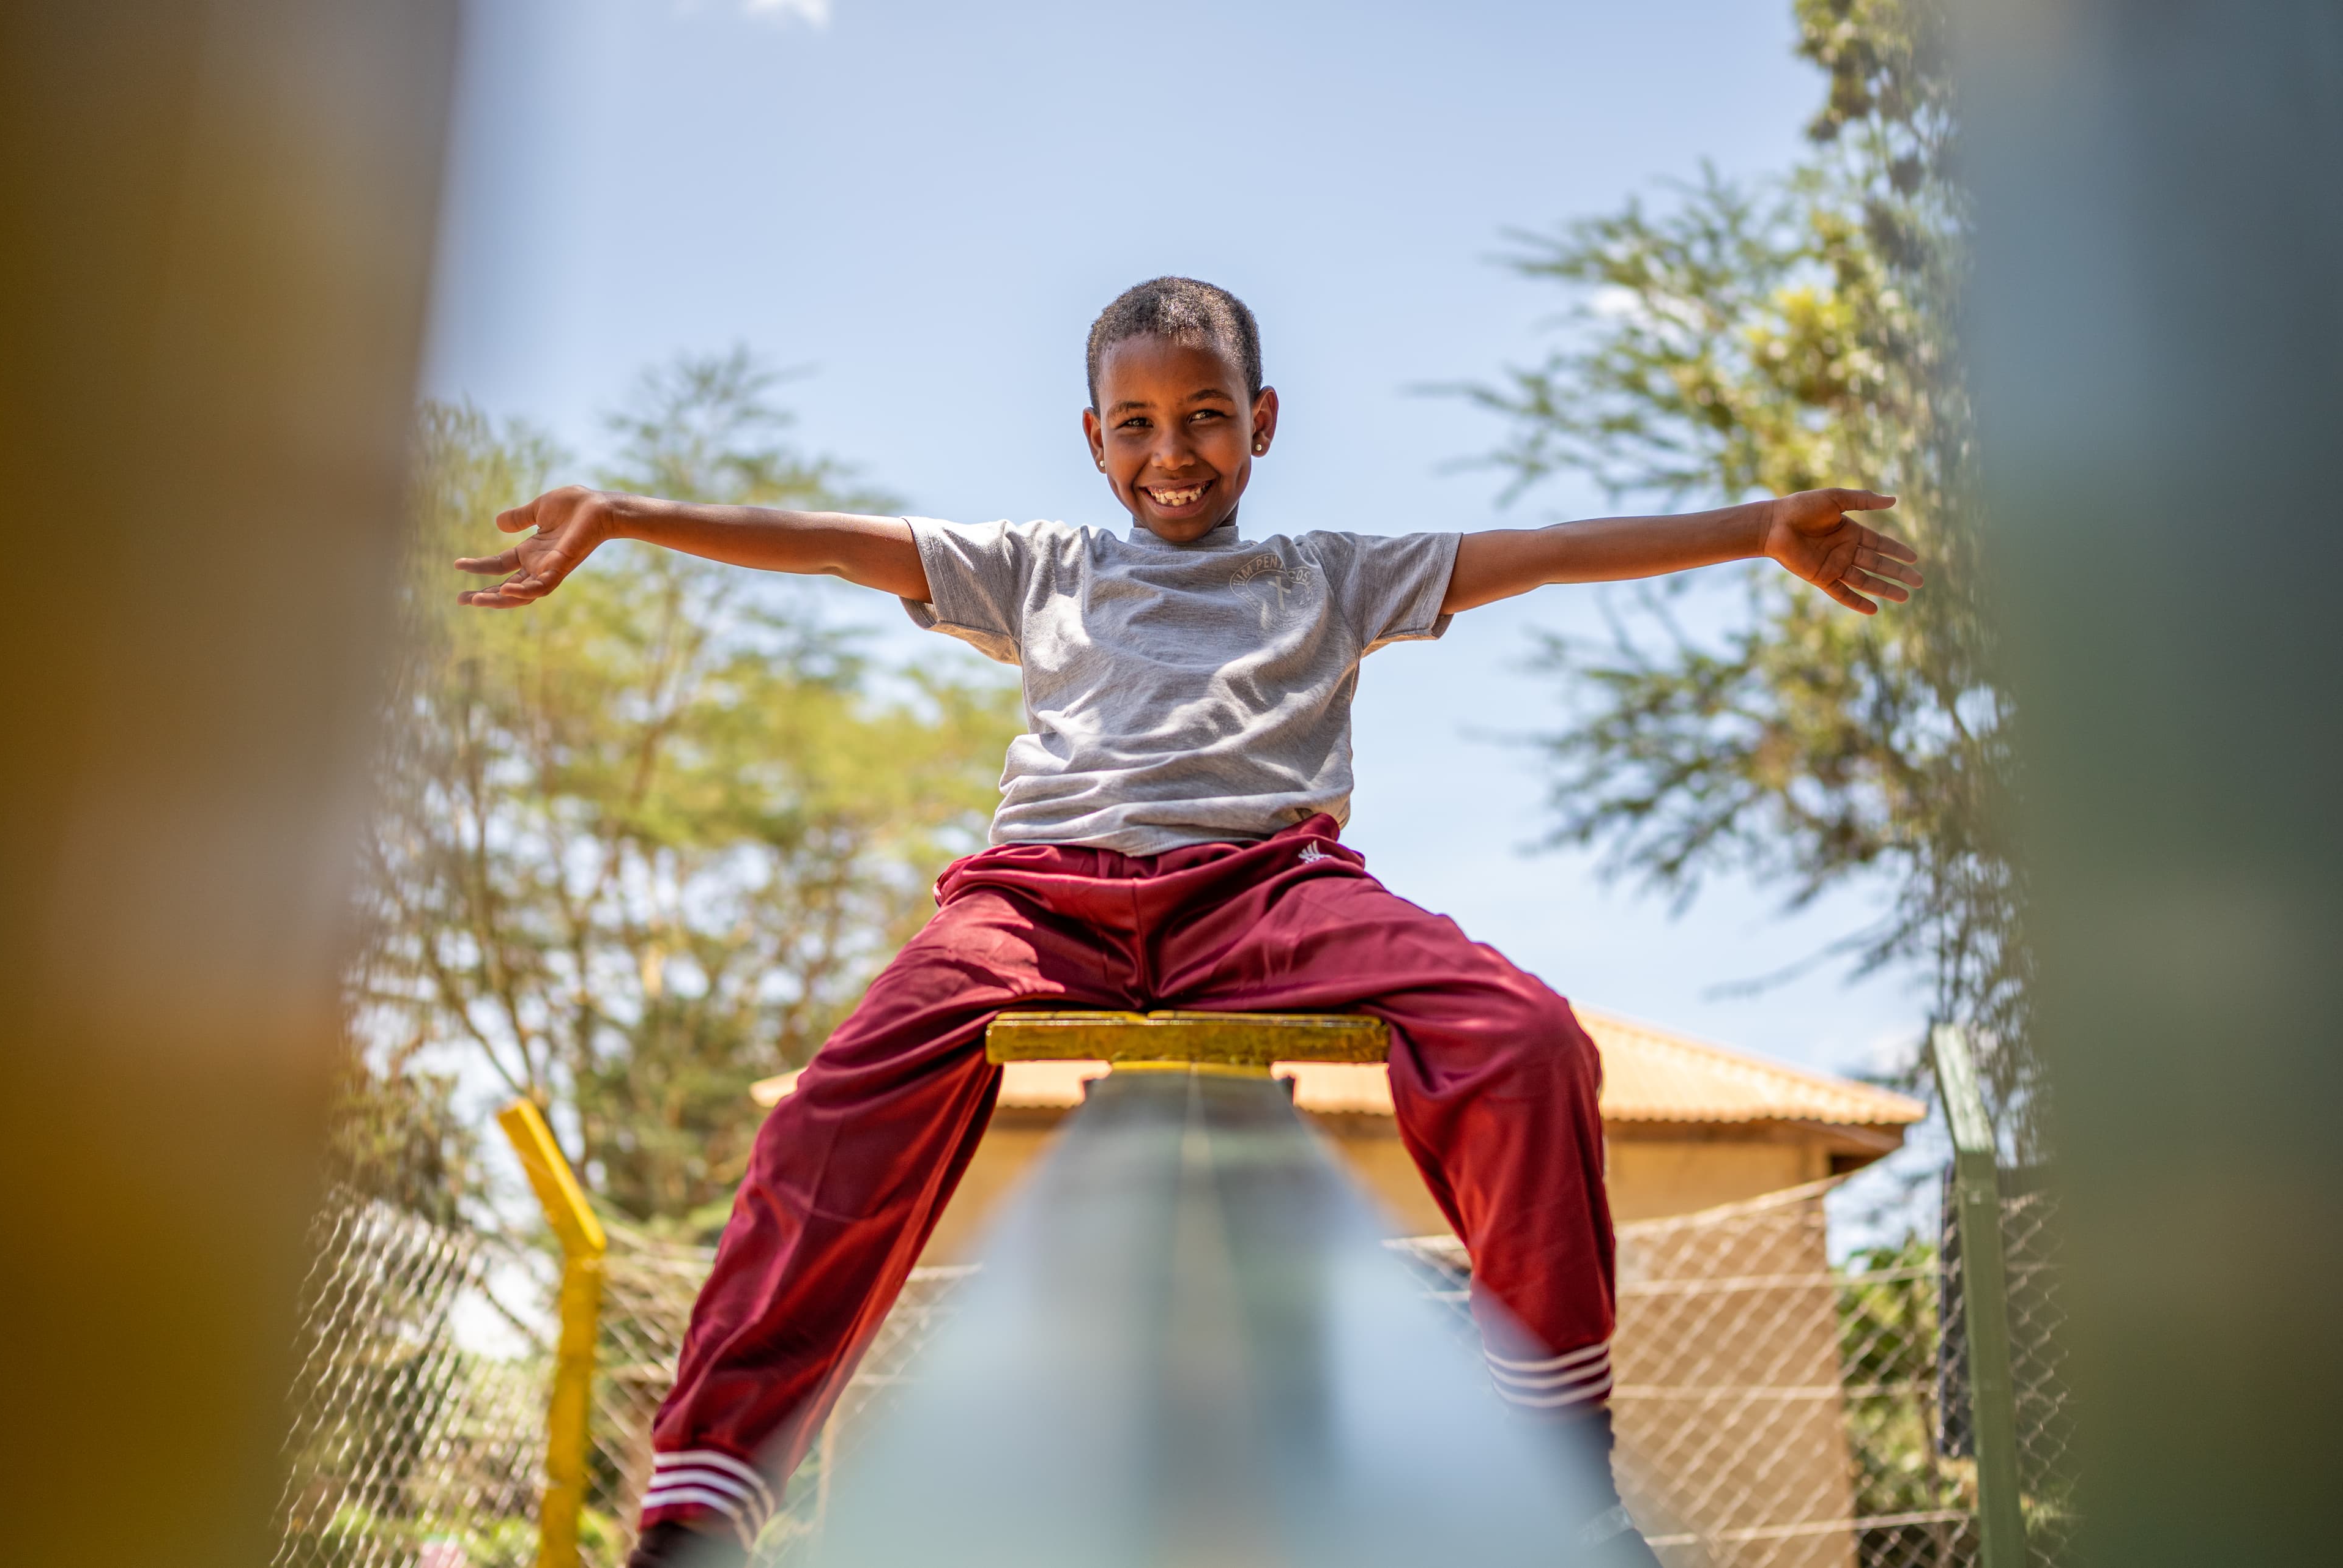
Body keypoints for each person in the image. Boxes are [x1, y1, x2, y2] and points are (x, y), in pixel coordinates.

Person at [456, 277, 1921, 1567]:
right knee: (824, 1116)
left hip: (1268, 892)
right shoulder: (1041, 568)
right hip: (1041, 901)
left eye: (1205, 416)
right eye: (1139, 425)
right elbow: (842, 543)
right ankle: (699, 1508)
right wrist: (634, 514)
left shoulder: (1328, 575)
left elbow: (1540, 550)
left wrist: (1758, 531)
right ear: (1093, 439)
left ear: (1263, 421)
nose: (1173, 453)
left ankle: (1553, 1449)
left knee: (1526, 1038)